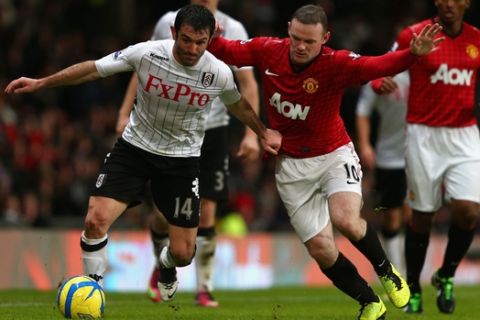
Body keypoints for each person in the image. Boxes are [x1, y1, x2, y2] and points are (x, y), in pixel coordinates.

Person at [4, 4, 281, 303]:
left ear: (211, 39)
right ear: (174, 32)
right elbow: (94, 69)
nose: (192, 48)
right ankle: (91, 289)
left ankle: (164, 264)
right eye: (186, 39)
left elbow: (238, 104)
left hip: (182, 161)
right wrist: (42, 82)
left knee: (184, 253)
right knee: (95, 219)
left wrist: (261, 132)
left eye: (201, 42)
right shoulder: (148, 53)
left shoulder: (218, 72)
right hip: (135, 149)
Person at [208, 4, 443, 320]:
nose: (302, 47)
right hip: (291, 166)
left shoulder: (337, 64)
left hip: (334, 154)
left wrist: (411, 55)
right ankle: (369, 302)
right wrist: (211, 39)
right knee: (321, 249)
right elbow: (229, 52)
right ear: (289, 29)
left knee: (345, 218)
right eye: (297, 38)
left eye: (310, 41)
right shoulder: (268, 50)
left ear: (325, 38)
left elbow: (378, 65)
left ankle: (387, 271)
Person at [116, 0, 261, 307]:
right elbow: (139, 67)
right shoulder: (169, 21)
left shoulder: (234, 29)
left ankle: (204, 287)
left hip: (213, 130)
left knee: (207, 209)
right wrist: (124, 112)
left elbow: (247, 84)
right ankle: (163, 263)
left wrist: (251, 134)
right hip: (168, 130)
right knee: (164, 215)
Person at [374, 0, 480, 314]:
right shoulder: (415, 34)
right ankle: (414, 285)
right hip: (423, 135)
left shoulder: (476, 39)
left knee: (470, 212)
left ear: (466, 3)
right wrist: (381, 82)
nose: (448, 3)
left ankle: (445, 275)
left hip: (464, 134)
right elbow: (384, 66)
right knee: (421, 217)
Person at [355, 71, 410, 275]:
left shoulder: (426, 72)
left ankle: (411, 274)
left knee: (414, 216)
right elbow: (363, 112)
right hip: (389, 157)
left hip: (420, 153)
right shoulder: (380, 76)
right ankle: (397, 276)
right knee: (392, 217)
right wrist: (365, 145)